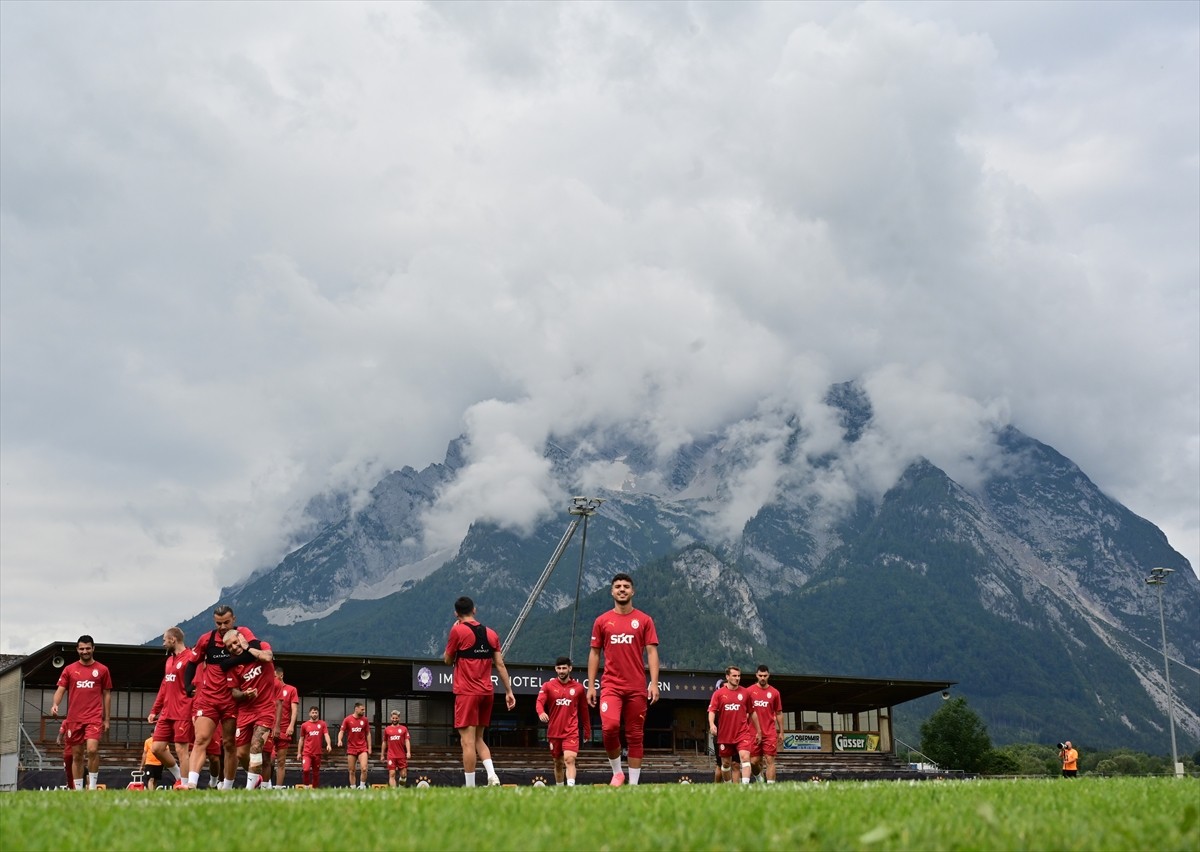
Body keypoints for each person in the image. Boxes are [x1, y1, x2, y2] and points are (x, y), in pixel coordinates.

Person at [587, 573, 660, 786]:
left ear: (632, 591)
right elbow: (594, 654)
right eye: (618, 586)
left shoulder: (645, 620)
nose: (622, 589)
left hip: (636, 686)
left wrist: (654, 683)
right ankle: (617, 773)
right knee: (609, 727)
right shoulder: (602, 621)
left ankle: (633, 785)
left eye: (626, 586)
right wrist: (591, 686)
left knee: (635, 734)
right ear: (612, 591)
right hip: (611, 685)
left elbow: (652, 652)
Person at [443, 595, 516, 787]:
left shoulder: (457, 631)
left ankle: (470, 786)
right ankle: (492, 776)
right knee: (478, 739)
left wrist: (453, 631)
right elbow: (500, 664)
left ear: (456, 614)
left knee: (466, 742)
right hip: (486, 693)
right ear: (474, 610)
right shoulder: (491, 633)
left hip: (467, 693)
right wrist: (509, 691)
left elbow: (447, 660)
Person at [183, 604, 259, 789]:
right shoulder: (206, 639)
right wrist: (187, 686)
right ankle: (191, 783)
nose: (223, 626)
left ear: (234, 619)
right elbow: (192, 663)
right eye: (219, 623)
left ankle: (228, 786)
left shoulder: (242, 633)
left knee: (230, 744)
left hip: (232, 699)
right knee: (201, 739)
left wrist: (229, 663)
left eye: (226, 622)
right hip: (208, 699)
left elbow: (255, 651)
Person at [49, 635, 112, 791]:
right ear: (77, 649)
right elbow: (60, 690)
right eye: (82, 649)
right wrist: (55, 704)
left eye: (88, 648)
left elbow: (107, 694)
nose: (85, 651)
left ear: (93, 648)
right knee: (76, 755)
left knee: (92, 750)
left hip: (94, 717)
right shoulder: (69, 669)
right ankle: (78, 791)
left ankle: (92, 787)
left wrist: (107, 719)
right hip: (74, 719)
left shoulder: (102, 670)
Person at [225, 629, 280, 789]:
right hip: (245, 712)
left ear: (241, 639)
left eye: (235, 643)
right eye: (229, 646)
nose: (234, 647)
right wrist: (244, 694)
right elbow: (234, 692)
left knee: (257, 748)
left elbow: (267, 657)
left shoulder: (262, 647)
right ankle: (259, 780)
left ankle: (250, 790)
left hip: (265, 710)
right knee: (242, 753)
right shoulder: (233, 665)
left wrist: (247, 647)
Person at [535, 656, 591, 786]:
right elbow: (539, 702)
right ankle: (560, 790)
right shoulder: (548, 686)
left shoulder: (579, 688)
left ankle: (570, 789)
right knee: (558, 763)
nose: (561, 671)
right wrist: (541, 712)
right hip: (554, 732)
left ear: (570, 668)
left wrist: (587, 730)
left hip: (571, 731)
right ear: (555, 669)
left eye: (564, 668)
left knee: (569, 760)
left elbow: (584, 711)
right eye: (559, 668)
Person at [147, 626, 192, 788]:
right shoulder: (169, 660)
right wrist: (155, 710)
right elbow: (164, 686)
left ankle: (185, 786)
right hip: (166, 712)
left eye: (165, 640)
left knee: (182, 750)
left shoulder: (190, 658)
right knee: (157, 748)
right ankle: (179, 776)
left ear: (173, 639)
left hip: (183, 711)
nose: (163, 643)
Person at [707, 665, 762, 785]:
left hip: (742, 733)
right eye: (734, 676)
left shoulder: (745, 693)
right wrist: (711, 724)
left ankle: (744, 787)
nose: (737, 678)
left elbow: (752, 712)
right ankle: (729, 786)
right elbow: (712, 711)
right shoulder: (718, 694)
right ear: (727, 677)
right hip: (725, 735)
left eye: (739, 676)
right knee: (726, 763)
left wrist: (759, 731)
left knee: (745, 758)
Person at [746, 664, 783, 783]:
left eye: (765, 675)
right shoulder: (749, 691)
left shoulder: (775, 693)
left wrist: (781, 732)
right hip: (753, 732)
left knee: (769, 760)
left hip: (769, 732)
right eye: (760, 675)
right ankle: (759, 778)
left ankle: (770, 788)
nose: (762, 678)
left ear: (769, 675)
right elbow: (745, 712)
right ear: (756, 675)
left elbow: (779, 713)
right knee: (753, 762)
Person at [272, 666, 300, 787]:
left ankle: (278, 788)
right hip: (269, 728)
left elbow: (294, 710)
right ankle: (266, 785)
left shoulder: (291, 689)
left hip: (284, 729)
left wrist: (291, 725)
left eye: (274, 676)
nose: (272, 679)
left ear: (281, 675)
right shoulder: (268, 689)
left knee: (281, 761)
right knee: (269, 760)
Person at [338, 702, 372, 788]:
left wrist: (369, 747)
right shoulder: (347, 719)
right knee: (352, 771)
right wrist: (339, 740)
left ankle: (362, 787)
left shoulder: (365, 720)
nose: (364, 711)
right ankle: (353, 788)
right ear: (356, 709)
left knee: (364, 769)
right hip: (351, 748)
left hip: (362, 748)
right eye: (362, 709)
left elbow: (368, 734)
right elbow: (341, 731)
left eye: (364, 709)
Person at [297, 706, 331, 787]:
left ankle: (315, 789)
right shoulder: (304, 725)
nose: (314, 714)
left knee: (316, 773)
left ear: (318, 713)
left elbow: (326, 735)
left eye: (316, 712)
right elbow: (301, 739)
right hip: (307, 753)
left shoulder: (322, 724)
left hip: (317, 753)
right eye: (313, 712)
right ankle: (306, 787)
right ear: (309, 714)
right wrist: (299, 753)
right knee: (306, 770)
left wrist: (328, 744)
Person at [381, 710, 412, 788]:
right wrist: (382, 755)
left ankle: (400, 789)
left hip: (401, 755)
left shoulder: (404, 729)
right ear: (391, 718)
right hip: (391, 755)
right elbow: (384, 742)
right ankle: (394, 792)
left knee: (403, 775)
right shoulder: (387, 729)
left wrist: (408, 752)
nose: (394, 720)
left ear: (399, 718)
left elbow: (407, 740)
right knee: (392, 774)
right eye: (393, 718)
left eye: (396, 718)